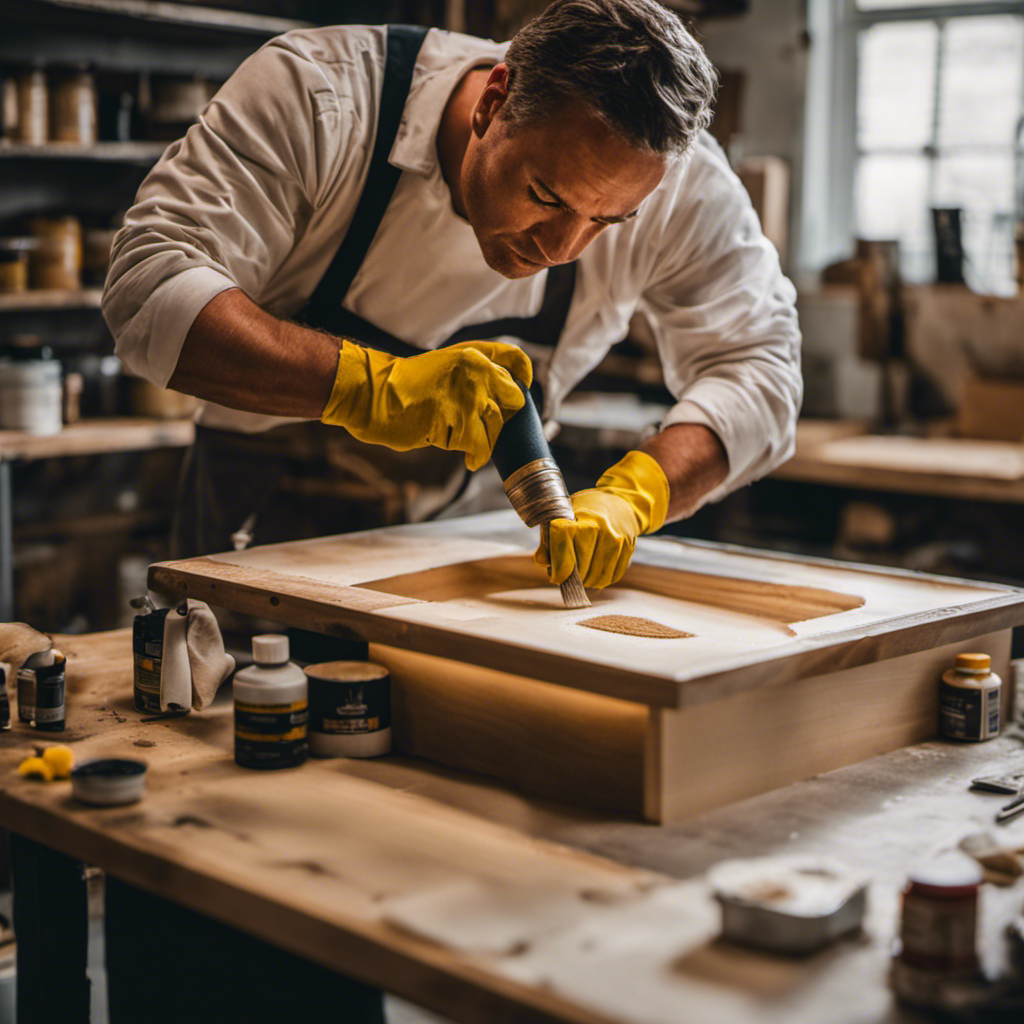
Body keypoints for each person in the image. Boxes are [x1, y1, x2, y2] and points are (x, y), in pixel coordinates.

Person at [103, 0, 801, 591]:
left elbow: (760, 368)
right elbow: (151, 285)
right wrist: (372, 388)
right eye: (545, 196)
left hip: (474, 547)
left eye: (607, 222)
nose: (561, 249)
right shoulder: (321, 95)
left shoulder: (680, 183)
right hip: (263, 526)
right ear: (495, 101)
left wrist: (637, 494)